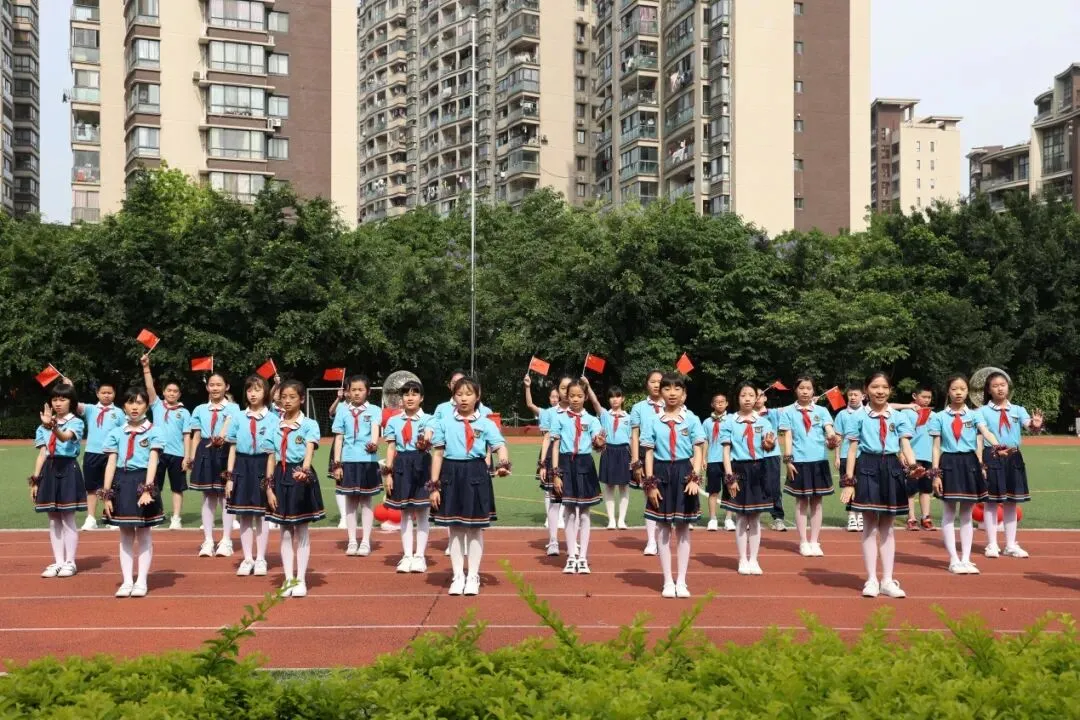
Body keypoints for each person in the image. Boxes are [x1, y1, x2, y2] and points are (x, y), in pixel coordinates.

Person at [840, 372, 921, 599]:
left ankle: (887, 580)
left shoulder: (899, 417)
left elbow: (905, 445)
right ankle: (871, 580)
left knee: (888, 526)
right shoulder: (858, 417)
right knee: (869, 525)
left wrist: (914, 466)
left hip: (891, 468)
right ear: (867, 390)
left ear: (890, 390)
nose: (880, 391)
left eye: (884, 387)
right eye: (875, 386)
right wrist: (849, 482)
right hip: (867, 466)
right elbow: (852, 451)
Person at [428, 376, 511, 596]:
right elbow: (437, 454)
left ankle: (473, 575)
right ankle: (458, 576)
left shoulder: (486, 423)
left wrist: (503, 464)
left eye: (468, 394)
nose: (463, 398)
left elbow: (500, 446)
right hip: (450, 474)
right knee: (455, 528)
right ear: (453, 396)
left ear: (477, 396)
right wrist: (434, 486)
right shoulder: (444, 423)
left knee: (475, 528)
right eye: (459, 394)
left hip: (476, 474)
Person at [640, 373, 705, 597]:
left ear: (684, 394)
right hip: (661, 473)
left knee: (684, 528)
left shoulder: (692, 419)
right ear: (660, 393)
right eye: (667, 389)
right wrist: (650, 484)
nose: (672, 393)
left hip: (684, 473)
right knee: (663, 527)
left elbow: (698, 449)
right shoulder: (652, 420)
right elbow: (649, 453)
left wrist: (695, 477)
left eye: (677, 389)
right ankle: (668, 580)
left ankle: (682, 581)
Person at [928, 375, 1001, 575]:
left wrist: (998, 446)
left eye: (962, 389)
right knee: (949, 513)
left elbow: (985, 433)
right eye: (954, 389)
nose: (958, 392)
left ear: (968, 391)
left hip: (970, 463)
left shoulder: (975, 415)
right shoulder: (939, 417)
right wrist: (935, 473)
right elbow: (936, 447)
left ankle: (966, 559)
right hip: (948, 463)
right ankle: (953, 559)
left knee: (967, 514)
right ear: (948, 391)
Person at [100, 387, 165, 598]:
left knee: (144, 532)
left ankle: (142, 580)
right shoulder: (116, 433)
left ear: (146, 406)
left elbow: (153, 461)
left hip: (143, 480)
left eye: (139, 402)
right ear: (123, 406)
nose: (134, 407)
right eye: (130, 402)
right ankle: (127, 580)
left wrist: (147, 489)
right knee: (125, 533)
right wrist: (106, 494)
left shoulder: (154, 431)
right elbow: (111, 463)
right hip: (122, 482)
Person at [266, 380, 325, 598]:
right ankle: (288, 578)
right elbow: (270, 457)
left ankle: (301, 579)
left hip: (300, 475)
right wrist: (269, 488)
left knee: (301, 529)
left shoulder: (309, 424)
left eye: (292, 397)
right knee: (284, 531)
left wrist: (305, 471)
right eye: (284, 397)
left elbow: (309, 450)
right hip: (280, 476)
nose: (287, 401)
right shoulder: (274, 425)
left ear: (301, 399)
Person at [978, 371, 1043, 558]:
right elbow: (981, 436)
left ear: (1008, 387)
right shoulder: (981, 412)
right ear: (988, 390)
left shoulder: (1018, 410)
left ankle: (1011, 544)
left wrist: (1036, 424)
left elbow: (1030, 426)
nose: (1000, 388)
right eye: (995, 386)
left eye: (1003, 385)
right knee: (991, 502)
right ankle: (992, 544)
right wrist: (982, 461)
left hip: (1013, 457)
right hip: (992, 455)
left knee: (1012, 501)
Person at [779, 377, 840, 557]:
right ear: (796, 390)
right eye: (801, 388)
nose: (805, 391)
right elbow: (788, 437)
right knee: (801, 502)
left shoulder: (822, 411)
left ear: (813, 391)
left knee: (817, 502)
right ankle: (803, 541)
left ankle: (814, 541)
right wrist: (788, 460)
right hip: (799, 461)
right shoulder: (788, 412)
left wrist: (832, 437)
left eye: (808, 388)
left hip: (819, 461)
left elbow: (829, 429)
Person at [547, 379, 603, 574]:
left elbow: (598, 443)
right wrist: (556, 473)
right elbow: (555, 446)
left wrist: (599, 441)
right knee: (569, 511)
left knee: (585, 513)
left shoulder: (592, 420)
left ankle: (583, 557)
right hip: (565, 464)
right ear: (566, 396)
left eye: (579, 396)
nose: (575, 399)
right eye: (572, 395)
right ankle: (571, 556)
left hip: (585, 464)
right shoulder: (559, 418)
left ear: (586, 397)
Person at [223, 375, 277, 577]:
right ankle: (247, 558)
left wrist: (270, 480)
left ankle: (261, 558)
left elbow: (273, 452)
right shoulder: (238, 417)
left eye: (257, 389)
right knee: (244, 514)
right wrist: (229, 477)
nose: (253, 394)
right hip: (242, 465)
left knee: (262, 514)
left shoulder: (273, 419)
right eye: (249, 390)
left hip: (263, 464)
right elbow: (232, 448)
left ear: (265, 392)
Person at [29, 383, 85, 578]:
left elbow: (64, 438)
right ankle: (58, 561)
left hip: (68, 468)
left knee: (68, 517)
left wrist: (52, 426)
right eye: (54, 399)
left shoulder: (76, 422)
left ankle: (70, 562)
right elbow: (42, 454)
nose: (58, 403)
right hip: (49, 469)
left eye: (63, 399)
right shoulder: (42, 427)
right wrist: (35, 480)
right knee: (53, 519)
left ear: (71, 402)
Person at [721, 382, 776, 575]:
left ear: (757, 398)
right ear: (737, 398)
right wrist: (730, 477)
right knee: (741, 517)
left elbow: (768, 447)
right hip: (738, 470)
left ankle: (754, 559)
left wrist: (768, 444)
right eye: (743, 395)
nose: (747, 399)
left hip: (759, 469)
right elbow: (726, 452)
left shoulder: (764, 422)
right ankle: (742, 559)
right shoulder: (729, 421)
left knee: (755, 518)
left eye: (751, 395)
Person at [382, 380, 435, 573]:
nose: (410, 398)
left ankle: (420, 556)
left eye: (414, 394)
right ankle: (407, 556)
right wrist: (388, 473)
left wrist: (425, 442)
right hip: (402, 465)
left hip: (422, 464)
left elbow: (429, 436)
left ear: (421, 398)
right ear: (401, 398)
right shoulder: (394, 421)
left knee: (422, 512)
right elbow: (391, 448)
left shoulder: (428, 419)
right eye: (406, 394)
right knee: (404, 513)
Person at [184, 372, 238, 558]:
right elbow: (196, 436)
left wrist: (221, 438)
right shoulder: (199, 409)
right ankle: (208, 540)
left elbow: (231, 430)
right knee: (208, 496)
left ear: (226, 387)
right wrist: (192, 458)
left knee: (225, 496)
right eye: (212, 385)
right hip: (205, 452)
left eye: (219, 384)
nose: (215, 388)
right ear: (207, 387)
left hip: (225, 450)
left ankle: (226, 540)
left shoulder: (233, 408)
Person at [331, 375, 381, 557]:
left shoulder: (375, 410)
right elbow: (338, 438)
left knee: (366, 502)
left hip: (368, 461)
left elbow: (375, 430)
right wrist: (337, 464)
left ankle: (365, 541)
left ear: (368, 391)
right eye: (353, 390)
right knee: (350, 502)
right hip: (348, 461)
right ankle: (352, 540)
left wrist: (374, 443)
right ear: (348, 392)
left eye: (361, 389)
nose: (357, 393)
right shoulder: (342, 410)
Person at [139, 355, 190, 530]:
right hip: (157, 452)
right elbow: (149, 387)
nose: (172, 393)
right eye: (169, 390)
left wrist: (187, 457)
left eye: (175, 391)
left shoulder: (184, 412)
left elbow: (187, 435)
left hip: (177, 454)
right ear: (164, 392)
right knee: (154, 486)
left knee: (177, 488)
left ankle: (176, 517)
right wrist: (146, 367)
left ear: (179, 394)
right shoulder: (157, 405)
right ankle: (156, 515)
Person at [77, 382, 124, 530]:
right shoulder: (91, 409)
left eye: (109, 392)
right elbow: (73, 404)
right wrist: (70, 388)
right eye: (103, 392)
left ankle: (111, 516)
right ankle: (91, 518)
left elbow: (124, 433)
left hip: (112, 454)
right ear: (97, 394)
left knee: (111, 486)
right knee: (91, 488)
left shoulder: (119, 412)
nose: (106, 395)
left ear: (114, 394)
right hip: (92, 452)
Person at [586, 381, 631, 530]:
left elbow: (632, 438)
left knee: (624, 487)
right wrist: (588, 385)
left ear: (622, 399)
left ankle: (622, 520)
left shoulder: (629, 418)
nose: (615, 399)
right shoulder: (605, 415)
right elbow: (594, 402)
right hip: (609, 451)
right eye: (611, 397)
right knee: (609, 486)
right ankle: (611, 519)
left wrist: (635, 459)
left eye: (618, 396)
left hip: (624, 452)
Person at [629, 370, 665, 555]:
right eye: (653, 381)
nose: (657, 385)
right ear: (646, 384)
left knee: (666, 497)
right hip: (645, 455)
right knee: (649, 497)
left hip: (666, 454)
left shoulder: (673, 405)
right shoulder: (638, 407)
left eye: (660, 381)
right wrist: (636, 461)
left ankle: (663, 538)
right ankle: (651, 540)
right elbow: (634, 436)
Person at [525, 374, 563, 537]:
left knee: (562, 486)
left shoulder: (567, 411)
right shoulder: (546, 413)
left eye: (557, 396)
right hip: (548, 450)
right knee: (547, 488)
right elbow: (529, 404)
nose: (554, 399)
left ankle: (560, 517)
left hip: (563, 450)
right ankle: (550, 517)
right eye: (552, 396)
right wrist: (528, 386)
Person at [900, 384, 935, 531]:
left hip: (928, 456)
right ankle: (911, 518)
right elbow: (901, 435)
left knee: (926, 489)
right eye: (924, 397)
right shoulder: (906, 413)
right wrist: (902, 452)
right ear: (915, 396)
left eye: (929, 397)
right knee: (911, 489)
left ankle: (925, 517)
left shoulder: (933, 415)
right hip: (912, 457)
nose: (927, 400)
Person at [832, 387, 866, 533]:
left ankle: (861, 516)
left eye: (855, 395)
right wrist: (837, 456)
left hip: (864, 455)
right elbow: (838, 437)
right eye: (850, 395)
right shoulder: (842, 414)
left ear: (863, 396)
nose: (852, 397)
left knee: (863, 487)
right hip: (846, 455)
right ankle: (852, 517)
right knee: (848, 486)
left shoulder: (868, 412)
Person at [754, 390, 786, 532]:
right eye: (754, 396)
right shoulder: (747, 416)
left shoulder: (773, 413)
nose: (757, 398)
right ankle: (753, 517)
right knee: (754, 486)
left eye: (760, 395)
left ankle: (778, 517)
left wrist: (810, 402)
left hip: (772, 455)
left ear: (765, 398)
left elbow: (792, 408)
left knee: (773, 487)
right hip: (753, 456)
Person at [701, 392, 733, 532]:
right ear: (712, 404)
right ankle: (713, 519)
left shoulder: (732, 419)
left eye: (722, 401)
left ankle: (728, 519)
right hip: (713, 460)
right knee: (713, 491)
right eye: (717, 402)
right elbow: (705, 441)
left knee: (730, 489)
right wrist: (703, 458)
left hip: (729, 461)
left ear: (727, 403)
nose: (719, 404)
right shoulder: (707, 422)